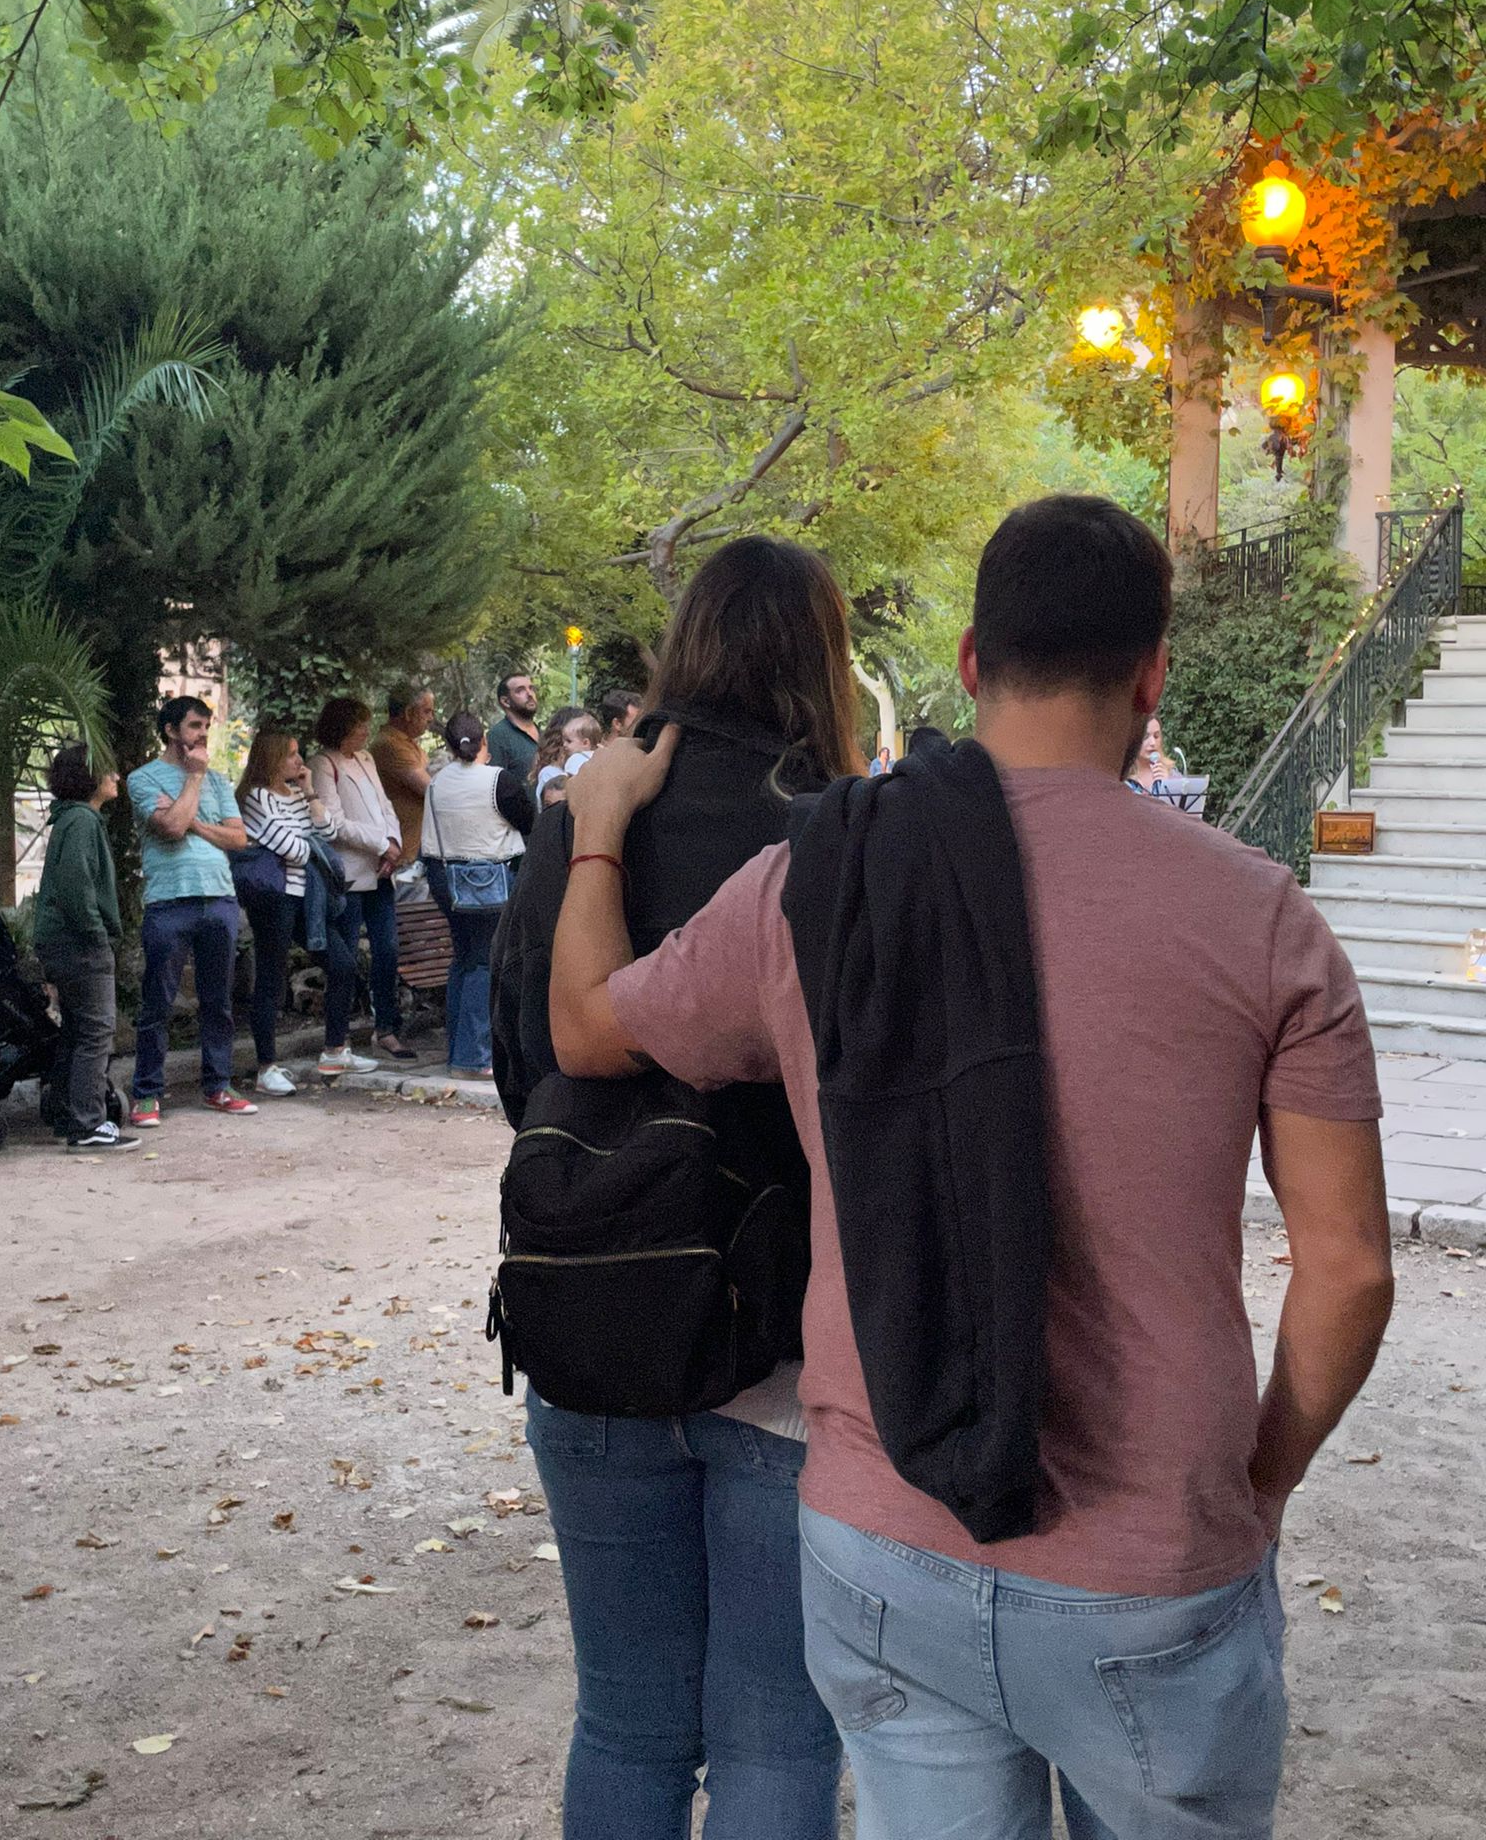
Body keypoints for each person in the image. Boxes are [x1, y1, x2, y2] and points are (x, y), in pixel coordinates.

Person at [549, 494, 1393, 1840]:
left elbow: (588, 1030)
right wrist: (1265, 1478)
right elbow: (1346, 1271)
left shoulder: (817, 880)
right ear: (1152, 675)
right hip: (1152, 1555)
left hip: (885, 1531)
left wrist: (596, 829)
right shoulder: (1264, 916)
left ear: (968, 660)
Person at [493, 535, 863, 1840]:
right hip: (783, 1337)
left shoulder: (581, 819)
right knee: (777, 1737)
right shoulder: (836, 836)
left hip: (596, 1309)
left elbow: (527, 1061)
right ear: (826, 660)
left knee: (626, 1725)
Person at [126, 696, 257, 1127]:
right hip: (169, 901)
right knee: (158, 1003)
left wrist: (195, 822)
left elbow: (238, 839)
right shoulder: (144, 778)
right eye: (195, 726)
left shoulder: (219, 781)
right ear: (170, 730)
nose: (203, 735)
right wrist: (195, 780)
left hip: (219, 898)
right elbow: (169, 826)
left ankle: (218, 1086)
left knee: (218, 1002)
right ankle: (147, 1093)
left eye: (206, 727)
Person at [236, 730, 378, 1095]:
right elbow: (292, 849)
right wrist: (309, 841)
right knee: (271, 977)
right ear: (271, 759)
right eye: (291, 755)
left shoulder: (297, 794)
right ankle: (266, 1066)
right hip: (276, 896)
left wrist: (311, 791)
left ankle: (335, 1049)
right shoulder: (256, 797)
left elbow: (326, 831)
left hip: (309, 898)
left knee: (342, 964)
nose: (299, 761)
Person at [33, 744, 139, 1151]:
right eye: (108, 771)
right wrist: (96, 933)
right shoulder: (81, 820)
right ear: (89, 778)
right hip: (79, 943)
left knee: (77, 1032)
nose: (116, 778)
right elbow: (77, 886)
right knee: (96, 1031)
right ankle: (88, 1124)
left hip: (62, 942)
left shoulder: (71, 818)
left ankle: (69, 1116)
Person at [421, 712, 532, 1078]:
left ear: (450, 745)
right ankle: (472, 1057)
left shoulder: (436, 783)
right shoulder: (499, 781)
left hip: (446, 879)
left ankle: (457, 1047)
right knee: (485, 963)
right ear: (484, 740)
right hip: (490, 879)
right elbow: (528, 820)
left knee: (464, 960)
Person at [309, 697, 415, 1062]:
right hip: (350, 874)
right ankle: (338, 1037)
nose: (366, 732)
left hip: (380, 871)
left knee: (388, 949)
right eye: (359, 727)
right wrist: (380, 844)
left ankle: (386, 1028)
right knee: (347, 956)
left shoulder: (366, 758)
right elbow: (334, 823)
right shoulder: (323, 764)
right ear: (341, 729)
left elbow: (384, 806)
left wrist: (394, 842)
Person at [369, 683, 437, 867]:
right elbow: (432, 791)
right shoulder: (390, 745)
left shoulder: (406, 743)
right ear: (408, 713)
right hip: (404, 854)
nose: (431, 718)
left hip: (415, 850)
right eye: (427, 711)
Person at [533, 709, 601, 809]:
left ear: (585, 742)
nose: (565, 745)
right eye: (563, 740)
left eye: (569, 741)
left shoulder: (575, 760)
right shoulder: (601, 756)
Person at [488, 672, 541, 786]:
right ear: (505, 701)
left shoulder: (545, 735)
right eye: (520, 690)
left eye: (531, 688)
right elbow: (494, 785)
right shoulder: (497, 737)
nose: (530, 694)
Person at [1128, 714, 1180, 794]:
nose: (1153, 743)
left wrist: (1169, 784)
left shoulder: (1171, 773)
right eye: (1145, 737)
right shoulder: (1122, 775)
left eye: (1156, 736)